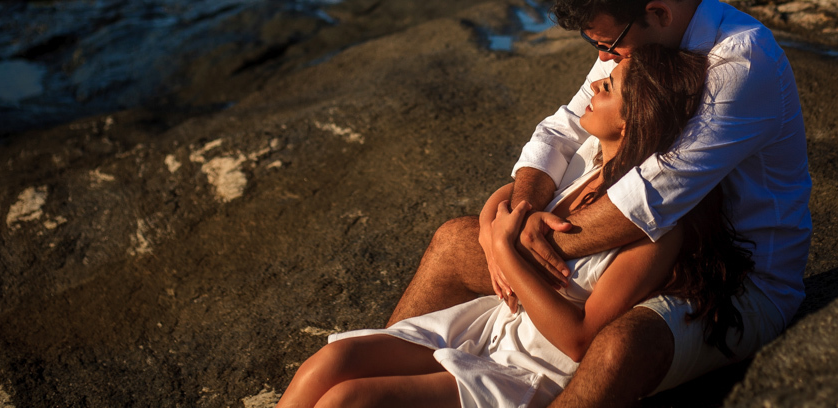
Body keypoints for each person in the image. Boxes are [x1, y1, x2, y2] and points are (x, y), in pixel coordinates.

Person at [386, 0, 812, 406]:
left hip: (728, 280)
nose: (603, 62)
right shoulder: (638, 42)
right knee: (452, 244)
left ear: (658, 14)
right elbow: (560, 130)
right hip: (612, 256)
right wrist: (521, 212)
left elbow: (650, 199)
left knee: (619, 347)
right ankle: (375, 380)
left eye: (609, 47)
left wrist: (520, 238)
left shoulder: (741, 63)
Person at [275, 45, 755, 408]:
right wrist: (492, 231)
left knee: (351, 400)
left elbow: (580, 340)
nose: (596, 84)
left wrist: (505, 252)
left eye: (611, 87)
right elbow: (502, 203)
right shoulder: (585, 166)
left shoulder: (659, 230)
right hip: (493, 328)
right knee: (331, 363)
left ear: (631, 124)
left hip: (530, 369)